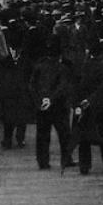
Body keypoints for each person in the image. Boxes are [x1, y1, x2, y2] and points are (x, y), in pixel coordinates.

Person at [74, 43, 103, 175]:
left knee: (84, 137)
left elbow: (76, 85)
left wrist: (80, 102)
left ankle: (84, 165)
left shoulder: (82, 67)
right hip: (101, 106)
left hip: (83, 106)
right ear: (101, 55)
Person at [31, 37, 76, 172]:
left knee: (42, 135)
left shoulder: (38, 66)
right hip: (59, 105)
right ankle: (66, 159)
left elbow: (32, 85)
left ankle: (43, 161)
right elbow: (63, 86)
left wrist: (40, 100)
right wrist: (51, 98)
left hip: (41, 106)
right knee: (64, 134)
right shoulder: (62, 68)